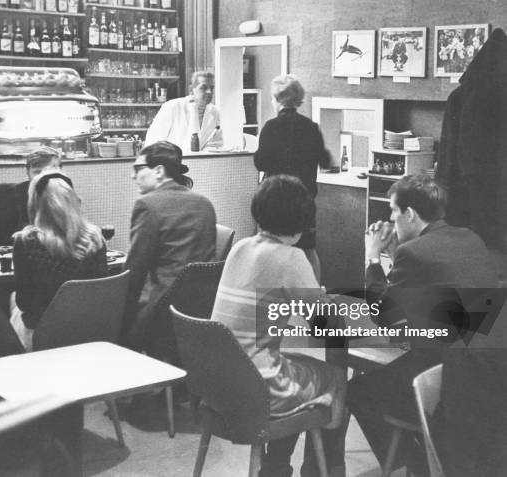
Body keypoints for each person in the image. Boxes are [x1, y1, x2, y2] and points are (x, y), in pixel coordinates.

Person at [348, 174, 497, 475]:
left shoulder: (414, 252)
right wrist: (396, 255)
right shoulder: (470, 237)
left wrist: (372, 257)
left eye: (393, 211)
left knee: (357, 392)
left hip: (443, 376)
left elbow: (383, 315)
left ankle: (417, 466)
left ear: (410, 214)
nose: (390, 218)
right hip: (485, 373)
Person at [211, 175, 345, 477]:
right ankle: (318, 470)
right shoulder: (292, 258)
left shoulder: (240, 248)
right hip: (255, 391)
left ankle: (275, 467)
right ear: (303, 220)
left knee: (294, 366)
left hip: (215, 385)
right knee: (330, 377)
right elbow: (326, 326)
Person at [122, 141, 216, 353]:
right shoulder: (204, 203)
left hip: (161, 309)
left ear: (158, 171)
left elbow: (135, 270)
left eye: (138, 169)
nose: (133, 175)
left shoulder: (147, 205)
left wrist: (119, 311)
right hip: (202, 306)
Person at [10, 170, 108, 351]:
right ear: (74, 201)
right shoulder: (95, 238)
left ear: (35, 204)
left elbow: (24, 302)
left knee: (12, 301)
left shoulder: (26, 242)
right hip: (90, 331)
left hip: (43, 334)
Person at [253, 74, 331, 282]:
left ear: (277, 100)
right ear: (298, 100)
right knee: (308, 250)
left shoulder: (270, 127)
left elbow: (260, 163)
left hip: (274, 199)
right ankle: (314, 297)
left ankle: (273, 295)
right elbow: (325, 161)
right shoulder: (311, 127)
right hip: (303, 200)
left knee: (270, 249)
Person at [0, 147, 61, 252]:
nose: (42, 178)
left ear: (61, 173)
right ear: (27, 172)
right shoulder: (2, 193)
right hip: (5, 261)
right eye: (37, 173)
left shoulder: (66, 200)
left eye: (49, 173)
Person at [144, 71, 223, 152]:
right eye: (204, 88)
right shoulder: (172, 107)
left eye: (212, 88)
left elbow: (216, 144)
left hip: (201, 162)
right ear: (191, 90)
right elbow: (152, 142)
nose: (209, 92)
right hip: (171, 162)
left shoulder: (214, 112)